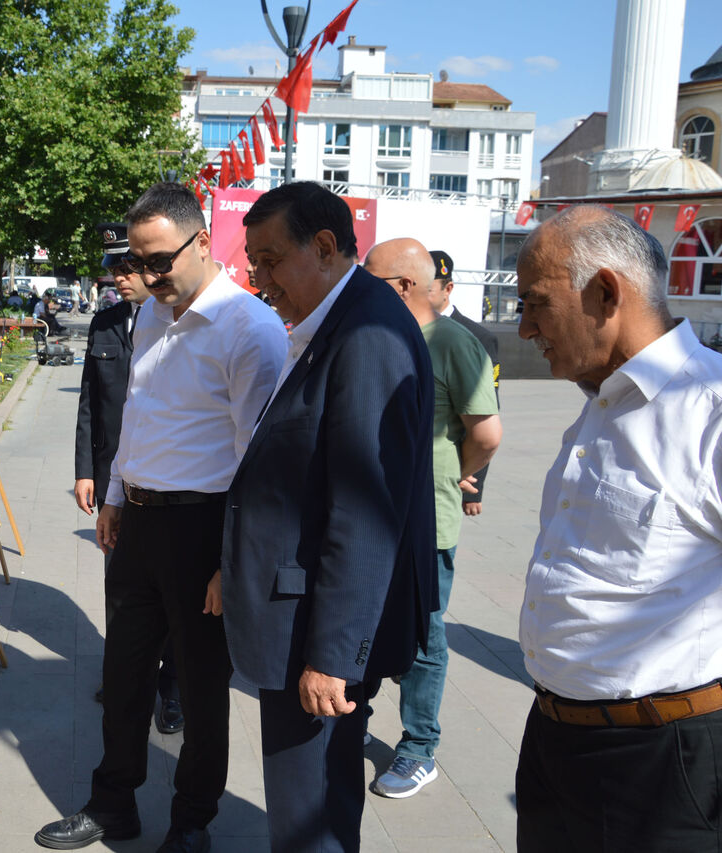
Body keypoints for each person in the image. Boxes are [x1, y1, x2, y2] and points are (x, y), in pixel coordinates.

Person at [36, 183, 287, 853]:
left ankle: (192, 821)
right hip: (141, 524)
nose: (148, 276)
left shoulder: (250, 330)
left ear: (202, 241)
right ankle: (112, 802)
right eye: (138, 262)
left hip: (203, 530)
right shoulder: (150, 313)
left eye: (158, 261)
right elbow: (137, 414)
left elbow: (258, 463)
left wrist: (230, 561)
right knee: (124, 675)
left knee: (201, 689)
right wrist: (117, 494)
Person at [223, 183, 437, 852]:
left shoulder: (367, 334)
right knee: (308, 806)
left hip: (316, 634)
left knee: (309, 814)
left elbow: (365, 513)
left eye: (269, 261)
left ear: (323, 247)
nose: (260, 280)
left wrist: (332, 658)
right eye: (254, 263)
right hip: (301, 616)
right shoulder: (338, 322)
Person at [514, 205, 722, 850]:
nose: (524, 328)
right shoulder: (602, 402)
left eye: (537, 303)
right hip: (553, 738)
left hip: (660, 764)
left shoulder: (709, 411)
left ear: (606, 292)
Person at [362, 238, 501, 798]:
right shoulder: (373, 335)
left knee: (423, 634)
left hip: (425, 523)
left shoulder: (452, 342)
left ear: (402, 287)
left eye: (369, 278)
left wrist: (453, 475)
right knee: (363, 621)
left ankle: (419, 748)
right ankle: (353, 718)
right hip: (369, 516)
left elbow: (486, 433)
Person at [74, 221, 180, 733]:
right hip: (112, 481)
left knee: (171, 594)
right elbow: (89, 403)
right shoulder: (105, 323)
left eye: (126, 267)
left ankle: (172, 688)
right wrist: (84, 472)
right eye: (113, 268)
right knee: (119, 585)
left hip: (164, 483)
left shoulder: (177, 323)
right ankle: (124, 677)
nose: (117, 277)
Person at [428, 249, 501, 516]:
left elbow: (484, 415)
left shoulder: (476, 337)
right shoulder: (410, 329)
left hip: (455, 468)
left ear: (447, 288)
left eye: (428, 288)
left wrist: (474, 487)